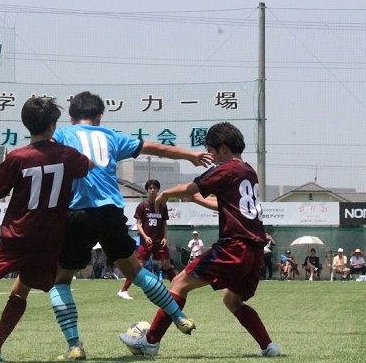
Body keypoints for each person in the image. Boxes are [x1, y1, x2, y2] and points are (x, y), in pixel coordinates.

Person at [48, 91, 213, 360]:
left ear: (71, 117)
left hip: (78, 212)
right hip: (111, 211)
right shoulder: (111, 135)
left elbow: (44, 151)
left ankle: (75, 346)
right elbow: (156, 148)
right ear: (100, 116)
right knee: (135, 271)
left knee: (61, 280)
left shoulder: (64, 135)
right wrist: (190, 156)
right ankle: (179, 315)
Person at [0, 96, 93, 362]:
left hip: (17, 233)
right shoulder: (67, 155)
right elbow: (88, 166)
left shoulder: (18, 157)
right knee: (20, 291)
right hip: (49, 240)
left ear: (27, 125)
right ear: (53, 125)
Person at [120, 121, 281, 358]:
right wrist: (196, 200)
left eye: (212, 152)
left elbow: (190, 186)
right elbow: (225, 204)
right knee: (232, 300)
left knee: (178, 284)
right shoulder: (248, 171)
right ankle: (268, 346)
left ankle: (150, 342)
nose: (212, 158)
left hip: (234, 245)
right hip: (255, 249)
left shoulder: (225, 169)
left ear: (223, 149)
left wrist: (165, 193)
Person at [118, 179, 177, 300]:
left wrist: (165, 237)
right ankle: (123, 290)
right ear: (147, 190)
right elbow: (138, 224)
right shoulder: (142, 206)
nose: (152, 190)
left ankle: (177, 287)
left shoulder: (162, 206)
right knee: (138, 265)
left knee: (166, 263)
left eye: (155, 188)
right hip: (147, 241)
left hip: (160, 240)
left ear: (158, 190)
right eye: (150, 188)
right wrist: (145, 237)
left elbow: (165, 223)